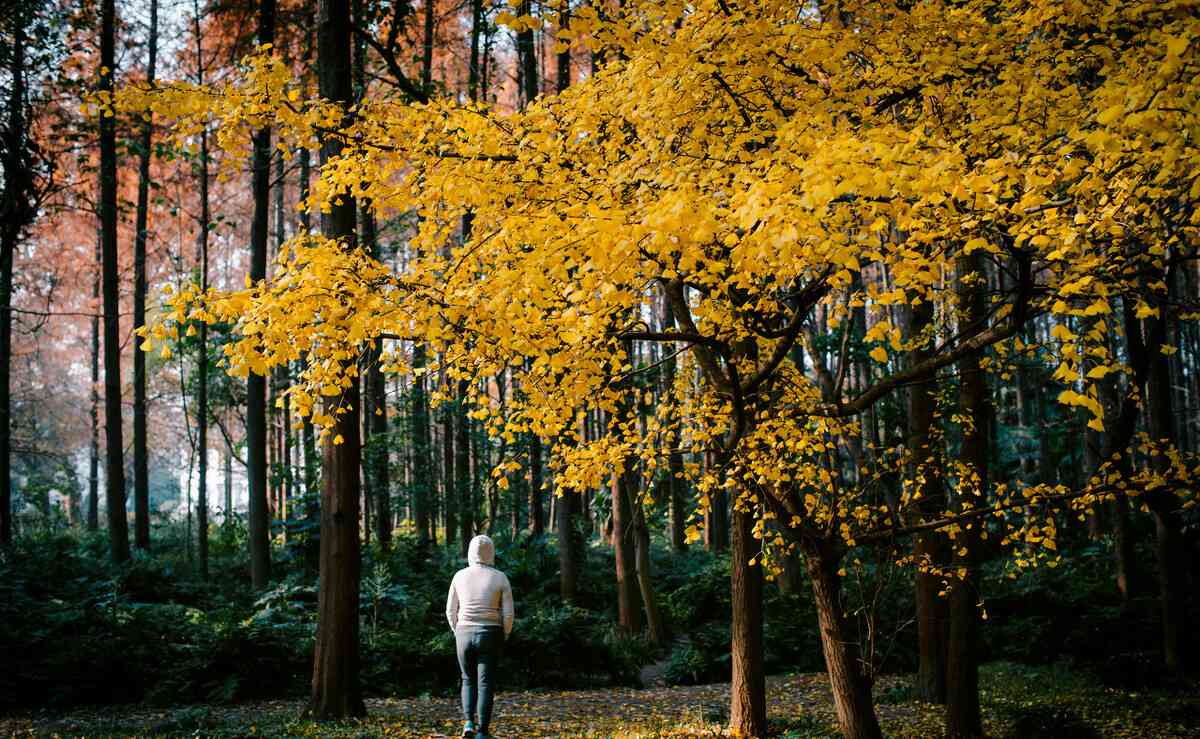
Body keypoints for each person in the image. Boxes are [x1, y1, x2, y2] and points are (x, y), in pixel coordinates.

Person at [446, 534, 514, 739]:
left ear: (470, 552)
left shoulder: (459, 576)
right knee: (486, 683)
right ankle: (483, 731)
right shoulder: (500, 577)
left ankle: (468, 723)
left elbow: (450, 610)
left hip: (464, 633)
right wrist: (505, 633)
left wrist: (457, 630)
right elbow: (508, 613)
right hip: (491, 633)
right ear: (491, 552)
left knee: (467, 679)